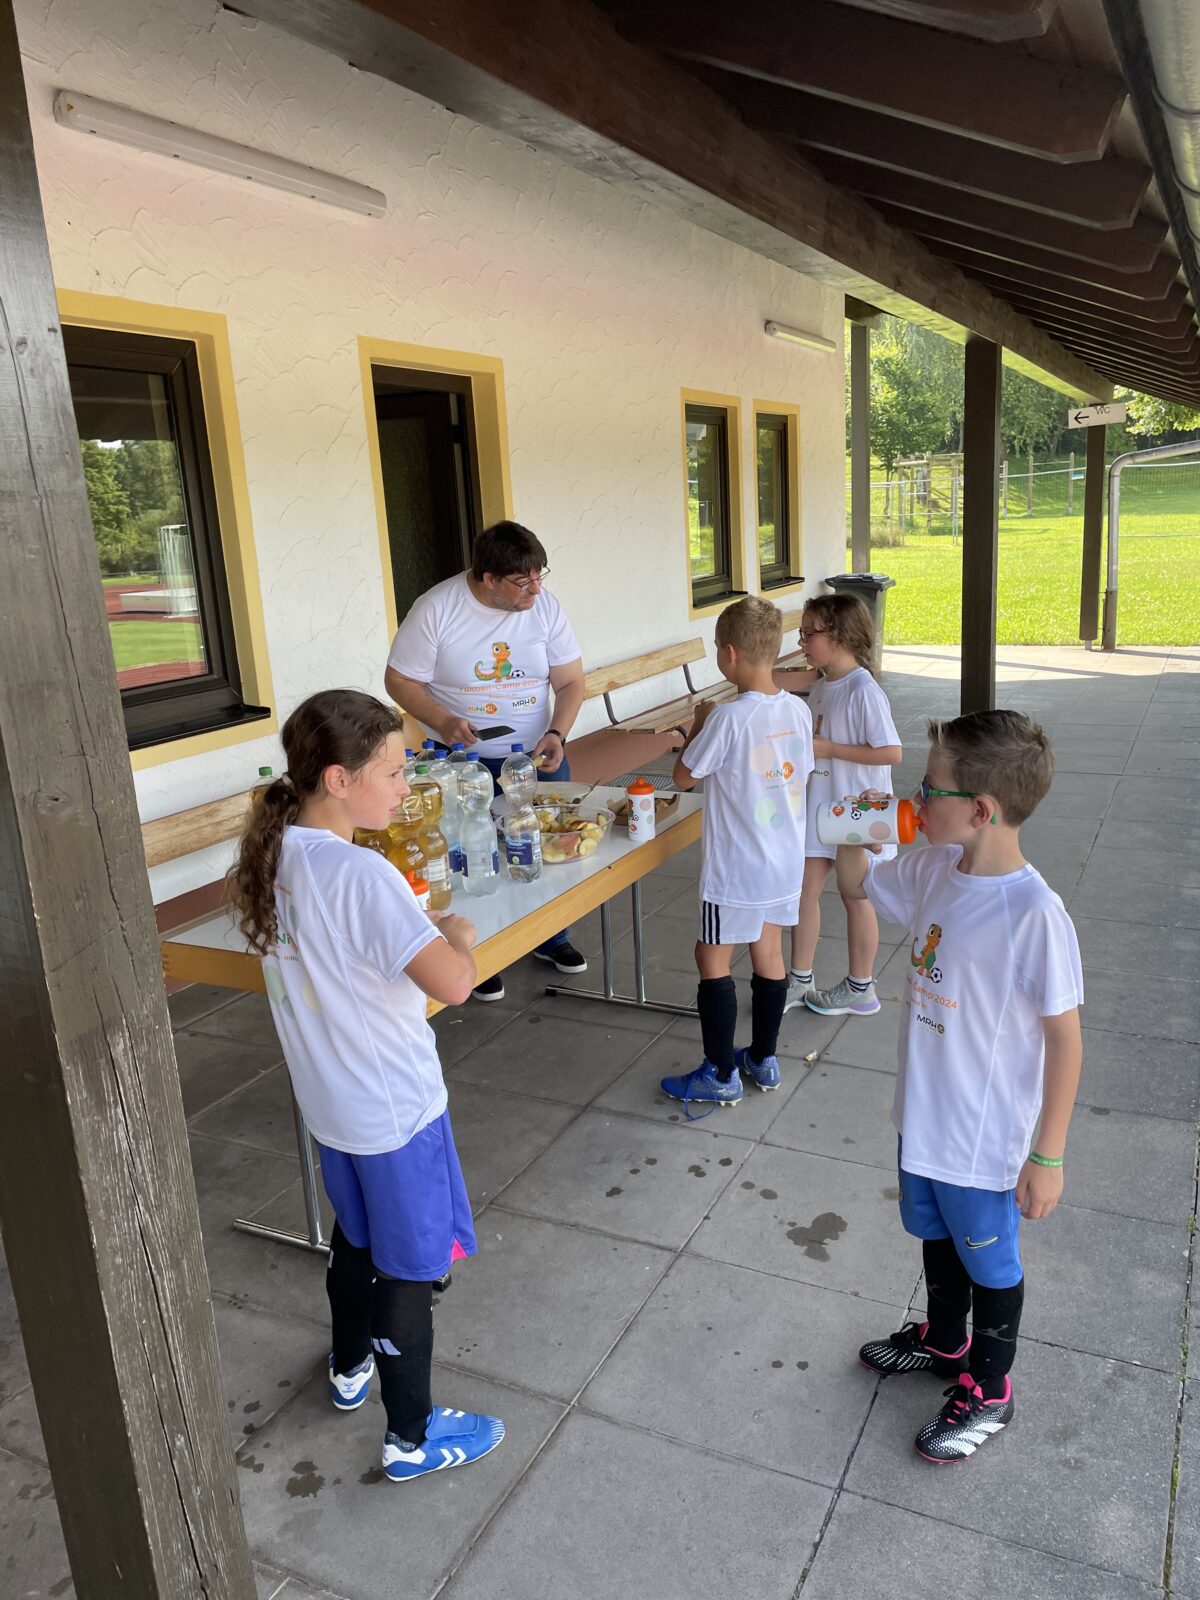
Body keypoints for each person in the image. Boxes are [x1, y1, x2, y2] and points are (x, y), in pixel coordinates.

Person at [226, 689, 506, 1483]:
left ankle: (349, 1367)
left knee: (356, 1238)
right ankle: (412, 1438)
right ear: (338, 779)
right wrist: (456, 934)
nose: (405, 785)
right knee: (410, 1268)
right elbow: (453, 984)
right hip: (393, 1110)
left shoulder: (274, 854)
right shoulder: (361, 874)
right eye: (392, 770)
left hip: (334, 1105)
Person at [836, 709, 1083, 1463]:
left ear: (980, 810)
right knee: (935, 1236)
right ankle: (945, 1343)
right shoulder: (935, 870)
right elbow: (858, 884)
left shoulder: (1033, 914)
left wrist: (1048, 1157)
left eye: (929, 788)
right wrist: (855, 827)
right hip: (925, 1115)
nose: (918, 799)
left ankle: (990, 1387)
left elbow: (1065, 1041)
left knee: (990, 1263)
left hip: (981, 1138)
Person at [384, 521, 588, 1000]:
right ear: (489, 578)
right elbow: (399, 680)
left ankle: (550, 938)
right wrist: (443, 719)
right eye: (523, 581)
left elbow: (572, 682)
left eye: (540, 575)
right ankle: (481, 952)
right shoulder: (438, 609)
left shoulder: (545, 607)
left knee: (544, 848)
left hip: (537, 756)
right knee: (470, 857)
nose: (536, 589)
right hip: (459, 763)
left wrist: (558, 731)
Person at [659, 596, 814, 1114]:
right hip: (783, 862)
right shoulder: (797, 708)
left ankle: (721, 1072)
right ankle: (764, 1058)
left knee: (711, 956)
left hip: (736, 870)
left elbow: (684, 777)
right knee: (769, 954)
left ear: (728, 655)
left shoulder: (726, 718)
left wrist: (700, 723)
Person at [772, 593, 901, 1018]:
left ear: (840, 635)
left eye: (810, 633)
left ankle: (861, 986)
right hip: (819, 807)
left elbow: (890, 753)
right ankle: (799, 978)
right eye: (801, 633)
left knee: (855, 897)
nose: (802, 642)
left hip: (857, 813)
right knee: (804, 892)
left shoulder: (863, 689)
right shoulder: (823, 687)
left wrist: (829, 748)